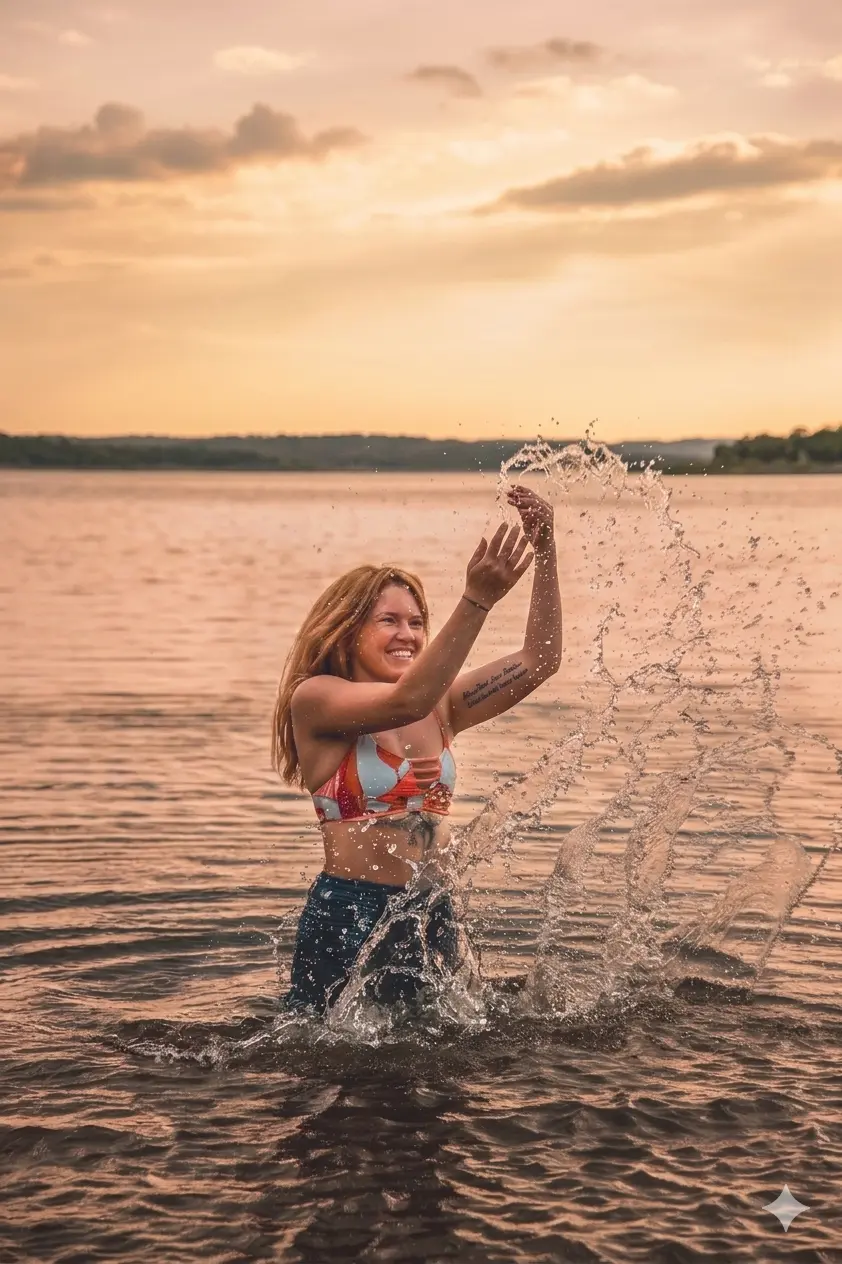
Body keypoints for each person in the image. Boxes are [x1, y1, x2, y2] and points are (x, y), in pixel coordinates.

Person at [272, 485, 562, 1016]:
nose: (407, 634)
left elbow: (540, 659)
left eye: (416, 621)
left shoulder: (443, 707)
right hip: (351, 912)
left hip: (432, 913)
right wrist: (477, 600)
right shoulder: (316, 699)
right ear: (347, 631)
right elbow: (407, 699)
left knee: (443, 1055)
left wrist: (546, 550)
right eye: (388, 620)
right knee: (328, 1055)